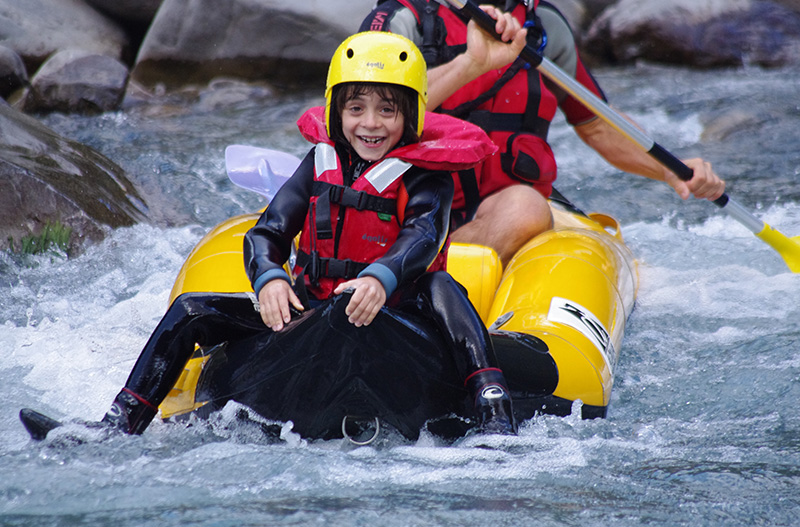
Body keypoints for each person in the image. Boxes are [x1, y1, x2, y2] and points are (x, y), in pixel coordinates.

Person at [96, 31, 517, 437]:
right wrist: (269, 277)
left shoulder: (428, 177)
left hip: (398, 318)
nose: (370, 124)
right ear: (336, 110)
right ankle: (120, 423)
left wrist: (379, 278)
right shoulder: (319, 161)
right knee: (192, 310)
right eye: (356, 109)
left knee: (442, 283)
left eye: (387, 110)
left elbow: (423, 237)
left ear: (411, 115)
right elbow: (267, 231)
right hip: (314, 312)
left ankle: (492, 404)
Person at [360, 0, 727, 264]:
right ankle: (408, 270)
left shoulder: (544, 27)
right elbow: (365, 119)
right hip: (410, 209)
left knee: (527, 211)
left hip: (499, 209)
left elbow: (597, 123)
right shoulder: (401, 21)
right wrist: (470, 64)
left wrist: (671, 171)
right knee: (526, 212)